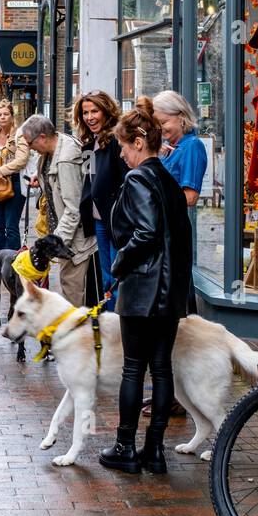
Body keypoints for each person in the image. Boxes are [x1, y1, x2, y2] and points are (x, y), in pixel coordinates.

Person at [99, 103, 192, 475]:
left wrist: (119, 264)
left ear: (139, 142)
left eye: (124, 145)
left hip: (144, 288)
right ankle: (154, 450)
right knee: (162, 368)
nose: (121, 153)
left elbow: (146, 232)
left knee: (134, 369)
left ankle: (125, 446)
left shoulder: (139, 179)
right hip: (171, 291)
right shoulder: (167, 179)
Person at [20, 114, 100, 308]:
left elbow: (73, 209)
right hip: (65, 236)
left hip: (74, 241)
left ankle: (75, 335)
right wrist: (41, 179)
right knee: (69, 289)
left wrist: (54, 244)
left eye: (30, 143)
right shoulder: (54, 149)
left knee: (71, 294)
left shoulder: (65, 159)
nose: (30, 148)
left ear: (42, 138)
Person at [72, 90, 124, 306]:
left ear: (106, 111)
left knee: (116, 275)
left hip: (115, 219)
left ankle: (118, 323)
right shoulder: (88, 144)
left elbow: (123, 180)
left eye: (95, 111)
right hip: (98, 220)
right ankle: (110, 318)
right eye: (85, 112)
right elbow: (88, 179)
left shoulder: (116, 141)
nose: (90, 117)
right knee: (106, 276)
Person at [0, 100, 30, 252]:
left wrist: (2, 170)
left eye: (6, 114)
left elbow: (22, 160)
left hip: (14, 182)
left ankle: (12, 265)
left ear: (12, 116)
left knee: (11, 226)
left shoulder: (20, 135)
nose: (2, 117)